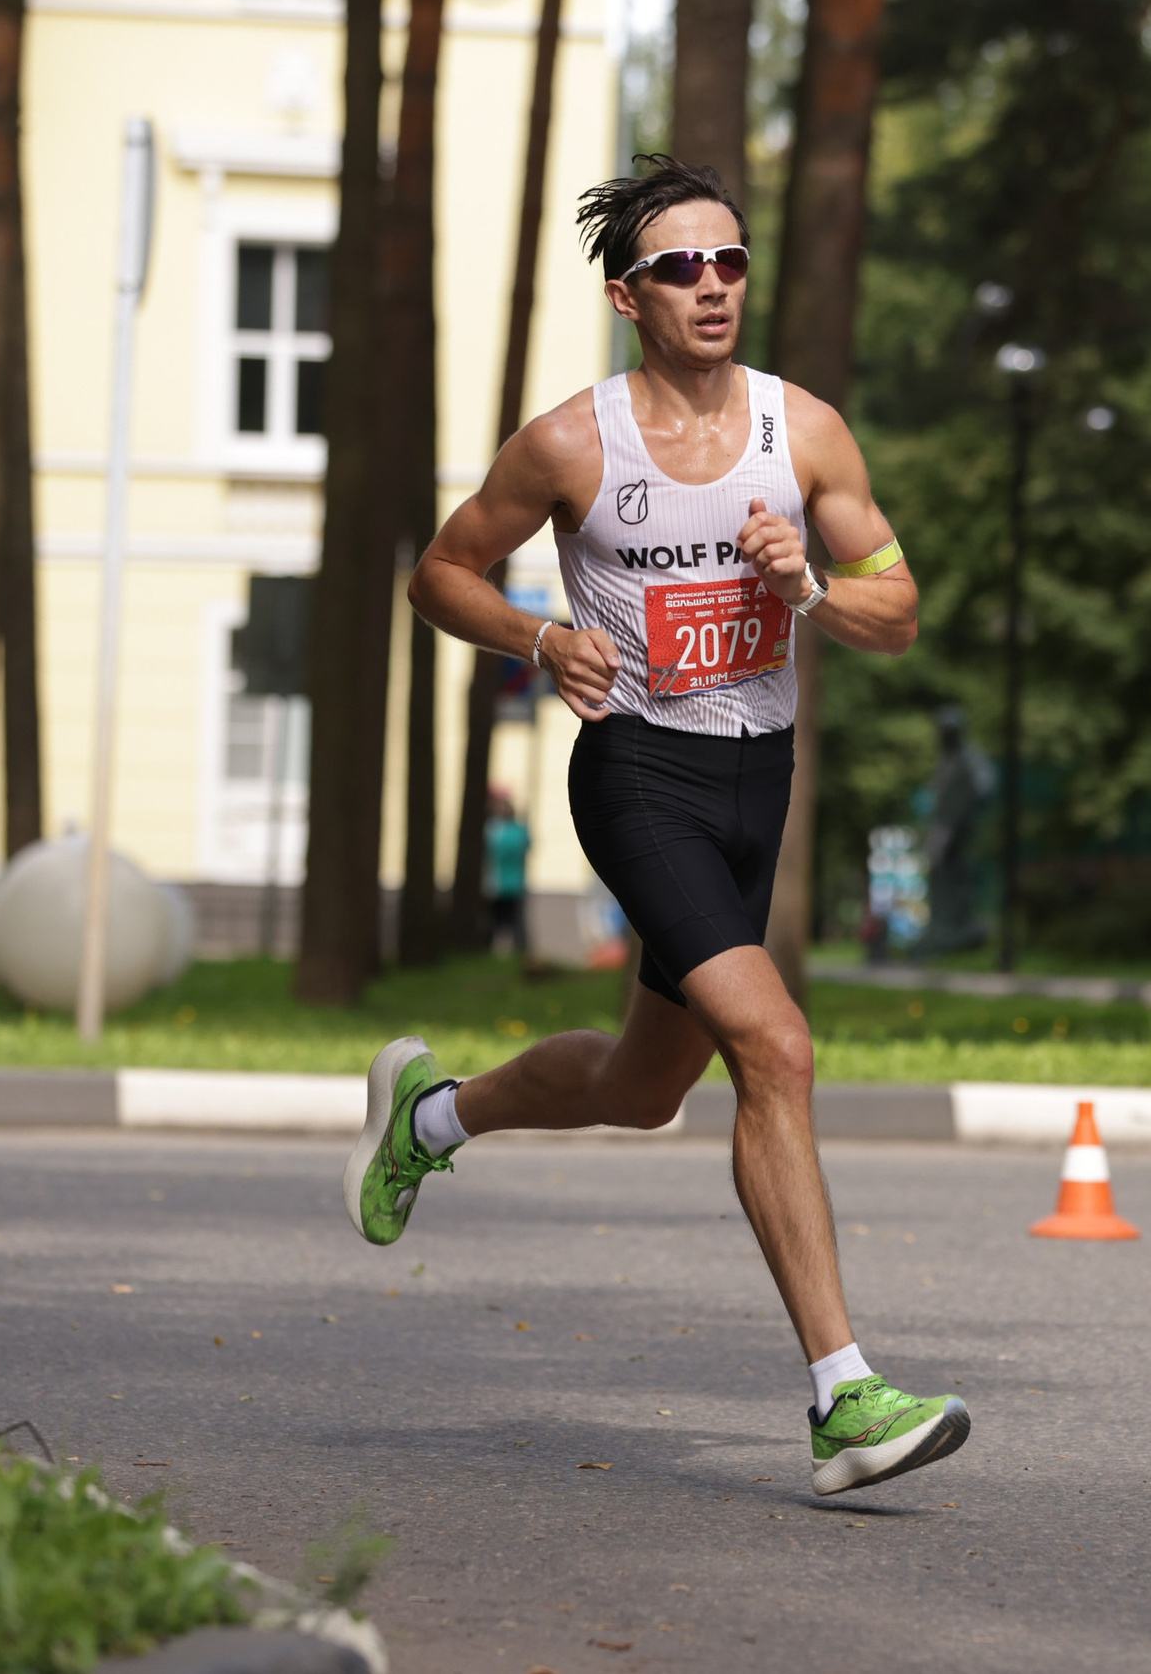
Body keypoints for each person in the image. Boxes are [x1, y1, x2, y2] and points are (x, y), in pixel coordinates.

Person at [348, 154, 961, 1498]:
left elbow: (900, 611)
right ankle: (844, 1395)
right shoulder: (573, 441)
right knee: (776, 1043)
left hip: (758, 782)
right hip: (637, 774)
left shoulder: (803, 434)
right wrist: (535, 634)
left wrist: (810, 588)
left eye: (732, 260)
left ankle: (431, 1116)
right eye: (683, 266)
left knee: (643, 1088)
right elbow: (439, 570)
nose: (714, 285)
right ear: (631, 296)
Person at [484, 789, 531, 957]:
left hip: (498, 883)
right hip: (511, 883)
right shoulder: (519, 831)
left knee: (498, 920)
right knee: (512, 920)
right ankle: (515, 950)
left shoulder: (492, 830)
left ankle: (499, 950)